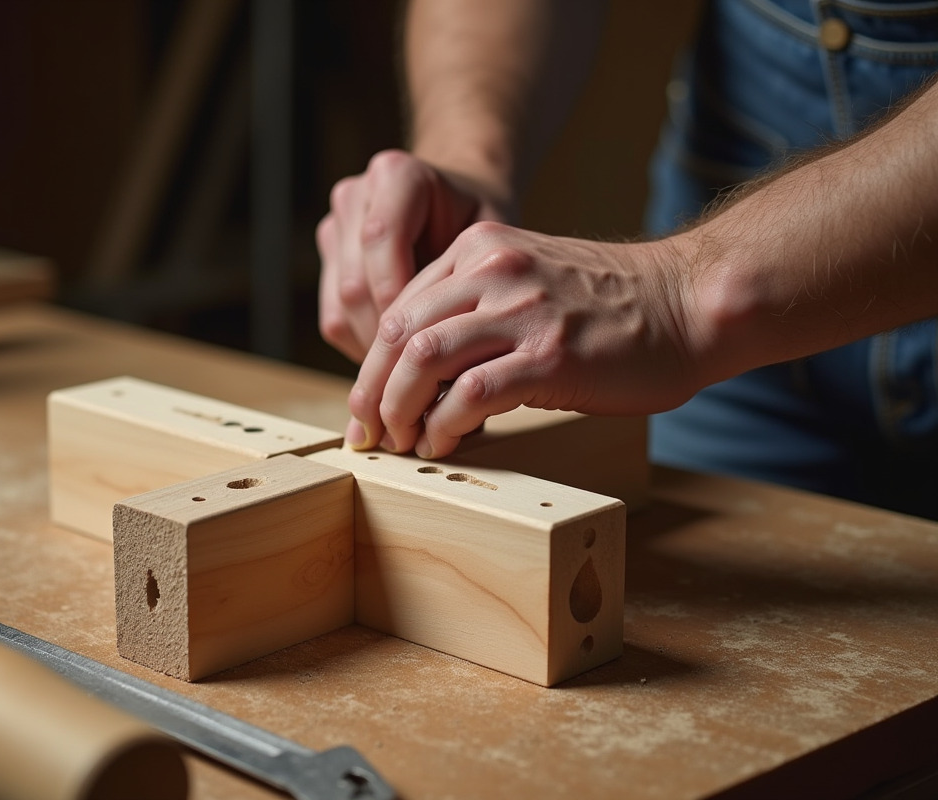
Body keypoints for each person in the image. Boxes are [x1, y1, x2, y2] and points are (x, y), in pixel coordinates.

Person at [315, 0, 938, 520]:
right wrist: (467, 154)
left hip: (725, 308)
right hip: (744, 356)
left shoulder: (692, 309)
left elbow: (685, 301)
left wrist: (682, 295)